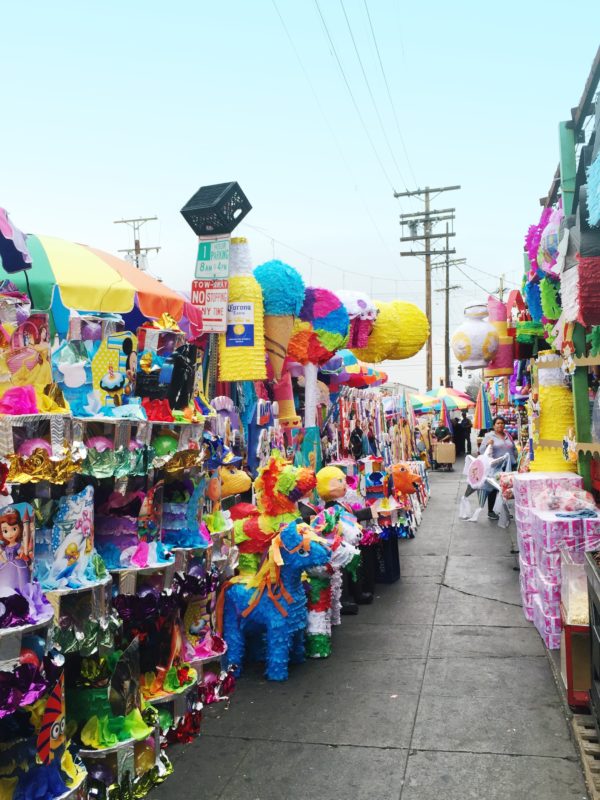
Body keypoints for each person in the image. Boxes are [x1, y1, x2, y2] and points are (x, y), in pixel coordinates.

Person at [479, 416, 517, 520]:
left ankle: (504, 511)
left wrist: (516, 458)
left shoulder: (507, 435)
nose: (500, 425)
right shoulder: (489, 436)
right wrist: (487, 444)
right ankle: (491, 511)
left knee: (506, 490)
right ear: (494, 425)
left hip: (509, 466)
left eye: (502, 423)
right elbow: (481, 450)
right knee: (494, 489)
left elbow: (513, 448)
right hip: (496, 467)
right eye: (498, 423)